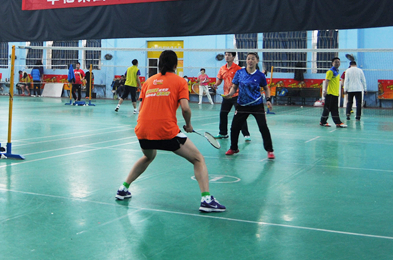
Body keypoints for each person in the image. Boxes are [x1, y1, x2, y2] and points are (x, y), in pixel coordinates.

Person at [114, 50, 226, 213]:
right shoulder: (180, 81)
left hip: (142, 130)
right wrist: (188, 125)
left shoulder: (148, 82)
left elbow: (143, 107)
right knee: (198, 159)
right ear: (175, 65)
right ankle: (206, 199)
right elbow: (185, 109)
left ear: (159, 64)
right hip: (166, 131)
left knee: (148, 156)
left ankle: (123, 189)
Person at [223, 52, 274, 159]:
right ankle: (233, 148)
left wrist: (268, 99)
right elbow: (234, 86)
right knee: (234, 127)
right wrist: (230, 94)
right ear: (246, 60)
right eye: (248, 58)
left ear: (257, 61)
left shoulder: (260, 75)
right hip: (242, 105)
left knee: (263, 127)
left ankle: (269, 150)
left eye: (253, 59)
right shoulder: (239, 73)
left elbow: (266, 88)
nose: (250, 61)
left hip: (257, 105)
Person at [213, 52, 250, 140]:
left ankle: (246, 134)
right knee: (223, 114)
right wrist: (216, 84)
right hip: (226, 96)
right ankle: (223, 133)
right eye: (226, 55)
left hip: (237, 95)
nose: (227, 56)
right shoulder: (222, 68)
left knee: (240, 114)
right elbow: (220, 79)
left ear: (233, 57)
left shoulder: (238, 69)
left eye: (229, 55)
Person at [320, 57, 346, 128]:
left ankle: (337, 123)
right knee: (327, 109)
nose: (337, 63)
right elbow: (326, 81)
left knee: (334, 109)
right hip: (330, 93)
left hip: (335, 94)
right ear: (332, 63)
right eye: (335, 62)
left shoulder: (337, 72)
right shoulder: (330, 71)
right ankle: (323, 122)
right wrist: (325, 90)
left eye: (338, 62)